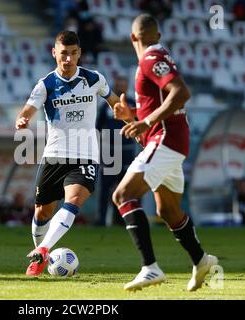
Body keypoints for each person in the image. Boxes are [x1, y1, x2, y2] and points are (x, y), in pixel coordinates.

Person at [112, 14, 218, 292]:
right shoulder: (155, 57)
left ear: (133, 38)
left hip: (166, 139)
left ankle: (150, 268)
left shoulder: (150, 59)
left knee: (123, 195)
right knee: (168, 210)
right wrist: (132, 116)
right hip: (170, 140)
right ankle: (202, 260)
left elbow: (181, 93)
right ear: (157, 35)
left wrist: (145, 122)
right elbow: (159, 106)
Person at [15, 30, 121, 276]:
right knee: (42, 211)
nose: (68, 59)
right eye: (63, 54)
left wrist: (126, 114)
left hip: (85, 155)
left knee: (74, 200)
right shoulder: (46, 84)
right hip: (55, 155)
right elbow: (28, 109)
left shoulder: (94, 79)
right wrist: (22, 120)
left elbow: (114, 101)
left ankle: (42, 251)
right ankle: (41, 254)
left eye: (73, 54)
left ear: (80, 53)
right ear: (54, 53)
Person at [95, 75, 135, 226]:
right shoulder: (106, 105)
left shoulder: (132, 104)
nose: (121, 86)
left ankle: (121, 221)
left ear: (127, 85)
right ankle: (101, 220)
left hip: (127, 151)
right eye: (119, 83)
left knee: (124, 189)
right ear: (115, 85)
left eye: (124, 83)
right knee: (105, 189)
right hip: (109, 152)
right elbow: (98, 127)